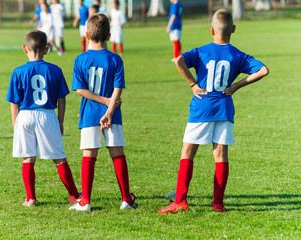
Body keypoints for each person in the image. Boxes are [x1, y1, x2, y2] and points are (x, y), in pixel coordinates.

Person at [158, 9, 269, 214]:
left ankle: (180, 200)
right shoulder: (237, 54)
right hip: (224, 108)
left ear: (212, 30)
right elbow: (263, 70)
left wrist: (192, 83)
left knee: (188, 153)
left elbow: (180, 60)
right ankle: (218, 203)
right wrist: (236, 86)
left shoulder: (201, 51)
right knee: (220, 155)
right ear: (233, 29)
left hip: (202, 107)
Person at [69, 14, 136, 212]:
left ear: (87, 35)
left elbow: (80, 90)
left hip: (89, 114)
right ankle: (126, 199)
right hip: (113, 114)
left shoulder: (80, 59)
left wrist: (104, 103)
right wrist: (109, 107)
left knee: (89, 154)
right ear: (108, 35)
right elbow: (118, 89)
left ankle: (86, 201)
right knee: (117, 153)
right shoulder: (115, 59)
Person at [5, 30, 80, 207]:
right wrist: (60, 121)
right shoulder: (55, 70)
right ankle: (74, 195)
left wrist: (16, 124)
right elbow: (62, 99)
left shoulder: (18, 71)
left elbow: (14, 103)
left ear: (25, 48)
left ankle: (30, 198)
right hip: (47, 115)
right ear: (46, 49)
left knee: (28, 157)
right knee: (59, 158)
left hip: (25, 116)